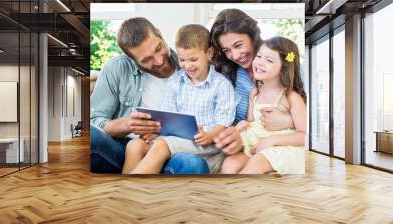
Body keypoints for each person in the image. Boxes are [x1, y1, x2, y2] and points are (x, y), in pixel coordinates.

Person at [90, 18, 209, 174]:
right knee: (92, 136)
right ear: (131, 59)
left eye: (158, 48)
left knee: (194, 165)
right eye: (146, 60)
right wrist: (126, 125)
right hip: (123, 148)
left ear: (159, 34)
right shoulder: (116, 68)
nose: (159, 61)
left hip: (171, 150)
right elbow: (94, 120)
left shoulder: (190, 65)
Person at [123, 24, 235, 174]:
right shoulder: (175, 81)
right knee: (134, 145)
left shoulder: (221, 85)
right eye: (182, 60)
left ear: (209, 53)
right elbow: (167, 115)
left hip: (208, 144)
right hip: (177, 140)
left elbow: (224, 121)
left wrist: (209, 136)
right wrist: (156, 132)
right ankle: (122, 189)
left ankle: (130, 191)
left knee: (161, 145)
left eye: (193, 59)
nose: (188, 66)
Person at [209, 9, 295, 157]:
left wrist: (289, 121)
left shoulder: (283, 66)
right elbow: (220, 117)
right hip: (246, 147)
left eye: (238, 45)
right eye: (226, 50)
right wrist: (235, 128)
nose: (234, 55)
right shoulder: (225, 75)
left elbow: (310, 121)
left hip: (282, 147)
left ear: (253, 37)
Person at [221, 36, 307, 174]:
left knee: (255, 164)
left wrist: (272, 140)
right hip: (256, 145)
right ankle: (230, 194)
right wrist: (242, 125)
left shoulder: (291, 97)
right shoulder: (255, 93)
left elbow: (304, 135)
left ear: (284, 67)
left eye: (269, 60)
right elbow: (252, 123)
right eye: (259, 56)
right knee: (229, 164)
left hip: (282, 147)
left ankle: (241, 193)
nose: (260, 62)